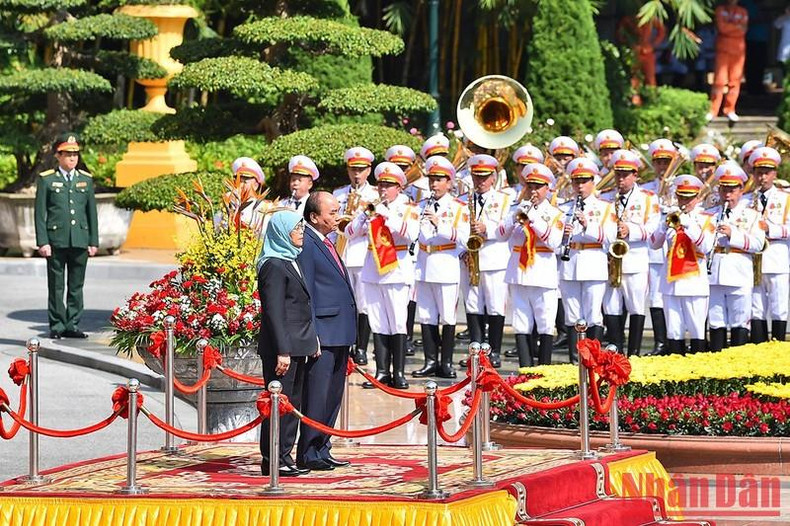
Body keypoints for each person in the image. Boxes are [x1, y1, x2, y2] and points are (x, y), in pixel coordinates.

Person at [296, 192, 357, 471]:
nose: (337, 216)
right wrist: (313, 334)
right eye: (331, 212)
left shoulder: (328, 241)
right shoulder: (308, 244)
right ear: (314, 217)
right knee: (318, 394)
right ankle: (308, 451)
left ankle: (322, 447)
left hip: (340, 331)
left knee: (332, 396)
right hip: (324, 331)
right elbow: (306, 291)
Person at [257, 210, 319, 477]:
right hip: (283, 348)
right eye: (297, 229)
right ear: (282, 232)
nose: (301, 233)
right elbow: (274, 312)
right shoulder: (272, 264)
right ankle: (273, 458)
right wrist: (283, 350)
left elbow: (301, 306)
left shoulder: (291, 259)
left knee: (292, 404)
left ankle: (285, 455)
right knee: (278, 404)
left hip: (300, 344)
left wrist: (312, 339)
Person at [348, 162, 419, 389]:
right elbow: (349, 233)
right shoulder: (372, 207)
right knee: (378, 321)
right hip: (372, 269)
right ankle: (381, 372)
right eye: (380, 184)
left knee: (397, 322)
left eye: (388, 185)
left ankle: (398, 372)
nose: (382, 189)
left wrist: (386, 215)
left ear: (398, 187)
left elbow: (412, 234)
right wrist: (362, 217)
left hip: (397, 269)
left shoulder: (409, 208)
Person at [497, 163, 563, 366]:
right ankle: (525, 369)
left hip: (542, 273)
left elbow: (554, 242)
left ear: (548, 188)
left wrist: (533, 219)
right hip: (518, 273)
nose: (534, 191)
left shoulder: (555, 214)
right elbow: (500, 235)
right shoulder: (518, 208)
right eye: (530, 186)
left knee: (545, 322)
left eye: (538, 186)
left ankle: (544, 369)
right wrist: (515, 214)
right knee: (520, 322)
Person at [35, 133, 98, 340]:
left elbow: (91, 213)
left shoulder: (85, 180)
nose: (72, 158)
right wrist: (43, 241)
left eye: (75, 154)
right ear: (58, 156)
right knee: (56, 285)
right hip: (56, 240)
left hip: (80, 239)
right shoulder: (47, 180)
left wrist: (93, 241)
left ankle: (72, 324)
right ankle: (57, 325)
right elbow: (40, 213)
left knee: (76, 285)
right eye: (68, 154)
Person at [411, 156, 469, 378]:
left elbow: (464, 237)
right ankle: (430, 360)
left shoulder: (458, 207)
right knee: (426, 316)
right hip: (424, 264)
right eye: (431, 179)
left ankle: (446, 362)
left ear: (450, 182)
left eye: (439, 179)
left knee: (447, 316)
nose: (434, 184)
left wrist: (439, 223)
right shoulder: (420, 205)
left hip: (445, 263)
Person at [601, 149, 660, 356]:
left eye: (625, 175)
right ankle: (615, 353)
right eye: (618, 174)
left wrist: (631, 231)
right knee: (611, 306)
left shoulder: (648, 198)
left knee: (636, 306)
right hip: (611, 261)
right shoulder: (607, 198)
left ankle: (634, 353)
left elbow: (653, 228)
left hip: (635, 260)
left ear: (635, 175)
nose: (621, 179)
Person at [649, 175, 715, 354]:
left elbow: (707, 246)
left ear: (698, 197)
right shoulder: (670, 216)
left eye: (689, 197)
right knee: (674, 331)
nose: (685, 201)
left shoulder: (707, 218)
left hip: (694, 281)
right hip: (671, 282)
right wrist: (663, 226)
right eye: (681, 196)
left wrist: (688, 225)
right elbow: (653, 244)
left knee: (696, 330)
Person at [558, 158, 615, 362]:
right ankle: (575, 360)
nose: (580, 186)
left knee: (593, 314)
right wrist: (563, 234)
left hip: (593, 262)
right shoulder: (563, 207)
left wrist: (587, 225)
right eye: (576, 181)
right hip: (569, 263)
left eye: (584, 181)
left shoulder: (605, 207)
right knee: (572, 314)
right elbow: (555, 240)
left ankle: (593, 359)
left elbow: (611, 237)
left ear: (593, 181)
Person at [458, 154, 512, 368]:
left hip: (493, 258)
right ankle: (476, 350)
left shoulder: (505, 200)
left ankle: (494, 351)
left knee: (495, 305)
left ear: (493, 177)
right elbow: (457, 227)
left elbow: (507, 228)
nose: (479, 181)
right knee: (472, 304)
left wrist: (486, 229)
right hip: (470, 257)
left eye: (484, 177)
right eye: (476, 176)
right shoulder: (463, 200)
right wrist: (463, 248)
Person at [706, 161, 765, 351]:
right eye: (724, 190)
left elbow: (758, 244)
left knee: (740, 321)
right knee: (716, 321)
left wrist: (734, 235)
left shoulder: (753, 215)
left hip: (739, 273)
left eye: (732, 190)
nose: (728, 194)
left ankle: (738, 368)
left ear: (741, 190)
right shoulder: (707, 214)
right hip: (714, 274)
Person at [333, 147, 378, 366]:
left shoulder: (375, 196)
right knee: (344, 303)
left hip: (363, 253)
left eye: (361, 170)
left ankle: (360, 347)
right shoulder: (338, 195)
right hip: (342, 253)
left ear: (369, 170)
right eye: (353, 170)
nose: (357, 174)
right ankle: (346, 344)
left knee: (363, 304)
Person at [746, 147, 790, 342]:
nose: (762, 177)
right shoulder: (746, 199)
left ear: (774, 174)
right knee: (756, 307)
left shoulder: (786, 198)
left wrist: (770, 230)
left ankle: (779, 348)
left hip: (776, 258)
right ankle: (759, 348)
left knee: (779, 306)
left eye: (766, 173)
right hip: (753, 260)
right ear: (753, 174)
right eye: (758, 173)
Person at [642, 138, 680, 355]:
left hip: (678, 249)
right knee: (656, 296)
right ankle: (660, 342)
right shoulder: (646, 190)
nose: (663, 166)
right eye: (659, 162)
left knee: (678, 296)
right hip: (655, 248)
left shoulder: (682, 185)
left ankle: (676, 341)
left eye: (667, 161)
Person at [709, 0, 748, 122]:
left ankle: (730, 109)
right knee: (719, 81)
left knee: (735, 80)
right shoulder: (720, 10)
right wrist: (736, 27)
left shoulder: (743, 11)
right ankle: (713, 110)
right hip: (723, 49)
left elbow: (744, 29)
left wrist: (730, 28)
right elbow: (721, 28)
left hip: (738, 50)